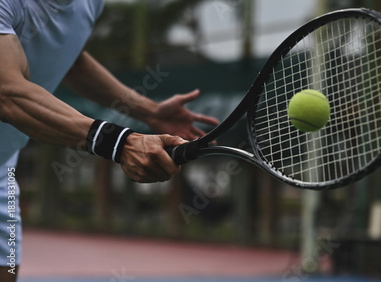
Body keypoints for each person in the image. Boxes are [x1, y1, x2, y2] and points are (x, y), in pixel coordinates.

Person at [0, 1, 218, 281]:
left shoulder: (89, 4)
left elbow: (71, 58)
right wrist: (121, 142)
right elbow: (8, 94)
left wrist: (149, 111)